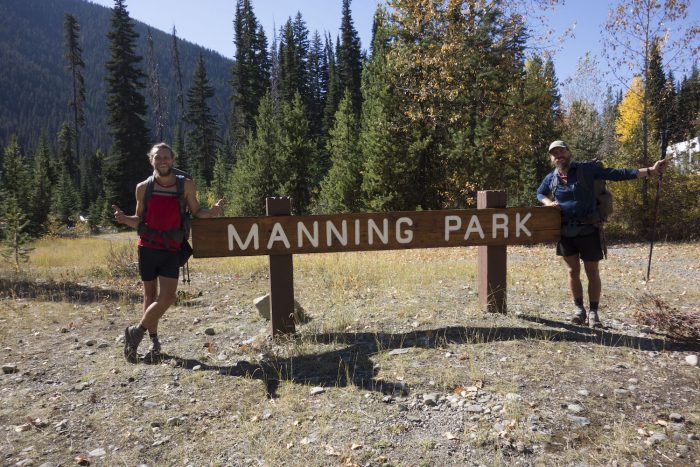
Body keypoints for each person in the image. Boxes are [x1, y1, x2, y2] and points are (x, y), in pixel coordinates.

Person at [536, 140, 667, 328]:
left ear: (568, 152)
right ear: (551, 158)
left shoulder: (587, 169)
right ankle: (579, 310)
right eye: (555, 153)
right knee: (572, 271)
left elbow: (616, 174)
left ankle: (594, 313)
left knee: (592, 272)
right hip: (565, 231)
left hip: (589, 228)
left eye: (562, 151)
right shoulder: (551, 178)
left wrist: (650, 171)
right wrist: (548, 203)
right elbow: (540, 193)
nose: (559, 155)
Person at [113, 142, 224, 363]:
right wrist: (125, 219)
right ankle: (153, 342)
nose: (162, 161)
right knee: (150, 296)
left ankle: (136, 332)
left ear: (173, 160)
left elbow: (196, 212)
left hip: (172, 248)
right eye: (158, 157)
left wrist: (211, 212)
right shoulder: (143, 187)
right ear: (151, 160)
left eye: (166, 157)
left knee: (168, 296)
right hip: (147, 247)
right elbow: (139, 220)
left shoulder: (186, 185)